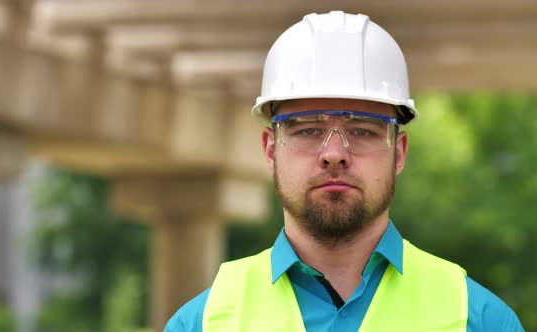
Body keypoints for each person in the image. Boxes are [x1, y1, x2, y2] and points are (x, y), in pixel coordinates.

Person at [165, 11, 524, 331]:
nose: (334, 154)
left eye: (363, 131)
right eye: (307, 129)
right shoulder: (202, 323)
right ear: (271, 150)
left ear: (398, 153)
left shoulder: (480, 320)